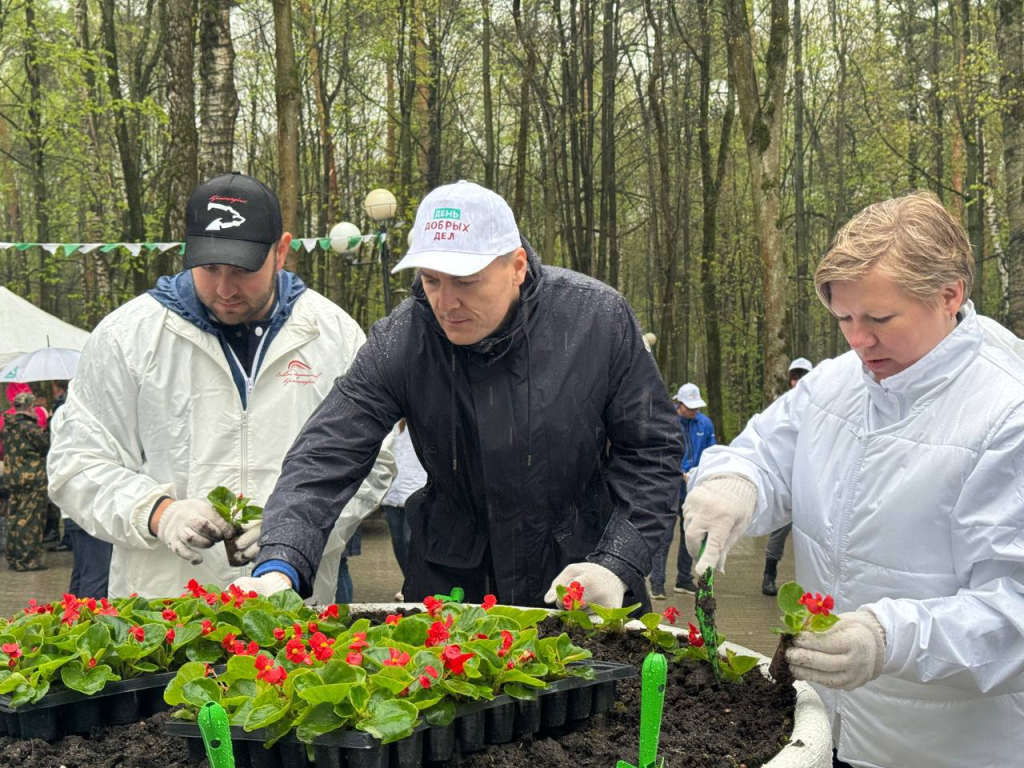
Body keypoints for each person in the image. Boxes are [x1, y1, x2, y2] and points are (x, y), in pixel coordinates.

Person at [682, 191, 1024, 768]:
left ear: (949, 295)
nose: (856, 339)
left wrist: (887, 638)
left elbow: (1012, 609)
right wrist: (732, 482)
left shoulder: (1006, 411)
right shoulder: (837, 384)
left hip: (947, 749)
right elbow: (765, 452)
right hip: (823, 728)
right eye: (843, 318)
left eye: (879, 319)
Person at [234, 180, 682, 611]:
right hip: (453, 588)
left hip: (582, 578)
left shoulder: (595, 320)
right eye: (431, 280)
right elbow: (327, 452)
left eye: (465, 282)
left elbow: (653, 450)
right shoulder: (403, 340)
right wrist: (282, 559)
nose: (446, 302)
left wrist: (619, 561)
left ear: (517, 266)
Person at [48, 171, 394, 600]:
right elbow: (76, 462)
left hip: (294, 602)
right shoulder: (128, 336)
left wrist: (295, 527)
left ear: (281, 251)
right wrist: (157, 512)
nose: (225, 288)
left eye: (243, 269)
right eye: (209, 268)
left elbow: (372, 460)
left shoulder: (333, 336)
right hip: (164, 611)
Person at [648, 383, 716, 598]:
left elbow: (710, 453)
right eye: (690, 406)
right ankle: (657, 582)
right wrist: (678, 471)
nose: (694, 410)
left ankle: (684, 579)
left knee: (691, 534)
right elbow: (659, 453)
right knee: (664, 536)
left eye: (697, 406)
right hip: (669, 487)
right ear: (679, 404)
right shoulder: (667, 422)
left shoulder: (705, 423)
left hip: (695, 489)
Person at [760, 356, 813, 596]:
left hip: (812, 485)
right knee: (778, 533)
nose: (798, 381)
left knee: (813, 538)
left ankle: (811, 588)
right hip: (787, 483)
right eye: (795, 376)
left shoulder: (822, 407)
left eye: (803, 376)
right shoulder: (782, 408)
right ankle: (768, 575)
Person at [380, 418, 428, 600]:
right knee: (398, 541)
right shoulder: (394, 426)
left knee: (411, 540)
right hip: (393, 492)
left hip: (415, 490)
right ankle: (407, 582)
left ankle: (417, 584)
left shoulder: (421, 422)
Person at [2, 392, 50, 571]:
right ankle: (27, 559)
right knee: (30, 520)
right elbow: (46, 446)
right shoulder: (30, 428)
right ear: (30, 407)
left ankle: (13, 557)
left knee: (14, 518)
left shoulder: (7, 427)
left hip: (13, 479)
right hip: (33, 480)